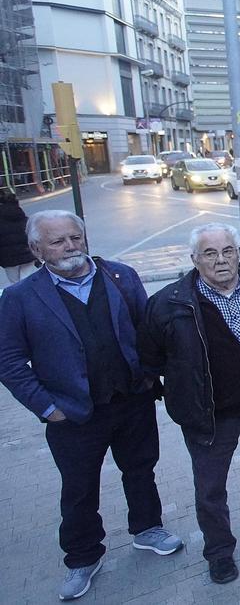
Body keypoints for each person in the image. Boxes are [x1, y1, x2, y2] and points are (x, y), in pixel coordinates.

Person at [0, 211, 182, 601]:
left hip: (132, 400)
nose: (70, 247)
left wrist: (149, 376)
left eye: (75, 237)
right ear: (36, 249)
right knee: (79, 489)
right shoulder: (19, 298)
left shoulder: (121, 276)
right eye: (58, 241)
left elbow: (146, 329)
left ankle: (147, 529)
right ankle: (83, 557)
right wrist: (47, 408)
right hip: (72, 414)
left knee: (140, 470)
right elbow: (9, 361)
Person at [140, 223, 240, 585]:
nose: (221, 260)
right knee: (211, 489)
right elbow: (150, 359)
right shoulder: (169, 304)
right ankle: (219, 552)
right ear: (194, 260)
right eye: (210, 253)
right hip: (210, 417)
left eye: (227, 251)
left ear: (237, 253)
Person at [0, 188, 37, 285]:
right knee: (28, 279)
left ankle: (21, 298)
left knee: (15, 283)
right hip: (26, 253)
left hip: (7, 257)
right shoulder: (21, 215)